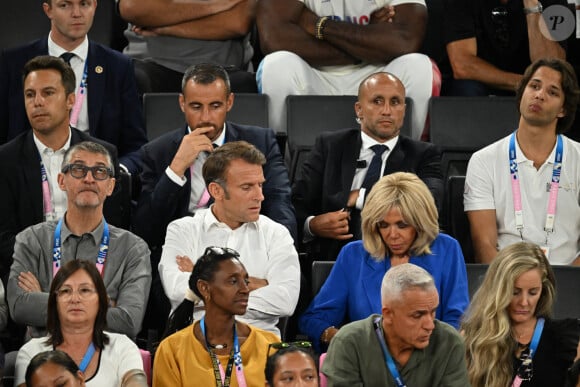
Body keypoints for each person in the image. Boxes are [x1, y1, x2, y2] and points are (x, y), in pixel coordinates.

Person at [136, 63, 295, 334]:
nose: (206, 117)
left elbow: (281, 206)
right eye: (196, 107)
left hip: (247, 244)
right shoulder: (159, 152)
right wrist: (175, 170)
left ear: (230, 102)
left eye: (215, 106)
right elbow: (146, 230)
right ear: (182, 103)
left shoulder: (259, 141)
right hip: (186, 244)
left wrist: (211, 277)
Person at [300, 172, 468, 352]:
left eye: (402, 225)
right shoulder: (354, 255)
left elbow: (456, 319)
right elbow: (314, 319)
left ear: (420, 223)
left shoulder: (446, 249)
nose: (392, 234)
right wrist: (343, 339)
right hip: (367, 361)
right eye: (383, 225)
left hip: (430, 359)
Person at [0, 56, 127, 283]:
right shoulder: (5, 160)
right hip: (29, 275)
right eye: (30, 95)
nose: (37, 102)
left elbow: (116, 227)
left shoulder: (103, 155)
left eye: (48, 93)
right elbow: (3, 237)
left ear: (70, 100)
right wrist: (42, 270)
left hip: (94, 273)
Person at [292, 72, 443, 262]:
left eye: (395, 102)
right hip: (334, 258)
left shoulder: (423, 154)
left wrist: (360, 197)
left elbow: (429, 204)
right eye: (377, 101)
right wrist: (312, 225)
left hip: (397, 259)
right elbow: (296, 204)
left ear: (404, 110)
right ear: (359, 109)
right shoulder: (330, 145)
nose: (387, 110)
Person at [7, 141, 151, 339]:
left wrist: (48, 298)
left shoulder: (133, 248)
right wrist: (101, 304)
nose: (89, 178)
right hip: (42, 357)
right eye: (78, 169)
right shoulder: (31, 239)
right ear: (61, 181)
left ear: (110, 186)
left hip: (106, 357)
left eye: (100, 171)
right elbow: (19, 307)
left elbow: (129, 321)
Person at [159, 141, 300, 336]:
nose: (260, 196)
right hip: (195, 343)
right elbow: (177, 290)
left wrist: (206, 281)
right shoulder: (182, 230)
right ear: (216, 191)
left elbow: (285, 301)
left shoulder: (277, 234)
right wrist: (257, 284)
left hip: (259, 346)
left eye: (260, 185)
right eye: (247, 187)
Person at [0, 0, 147, 174]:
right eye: (65, 5)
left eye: (84, 4)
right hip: (31, 177)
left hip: (94, 180)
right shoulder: (13, 63)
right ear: (48, 10)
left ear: (94, 6)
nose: (77, 13)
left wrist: (116, 171)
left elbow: (136, 146)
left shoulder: (118, 67)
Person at [256, 0, 439, 138]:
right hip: (314, 74)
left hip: (377, 76)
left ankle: (404, 165)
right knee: (277, 65)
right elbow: (274, 39)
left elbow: (405, 41)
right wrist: (370, 39)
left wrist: (321, 26)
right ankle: (285, 165)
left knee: (419, 66)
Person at [464, 58, 580, 265]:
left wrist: (567, 286)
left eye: (552, 92)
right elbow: (484, 244)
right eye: (534, 86)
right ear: (522, 93)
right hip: (506, 283)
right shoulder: (483, 161)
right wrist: (509, 289)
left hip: (570, 282)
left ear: (563, 109)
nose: (539, 95)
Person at [322, 263, 469, 386]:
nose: (430, 325)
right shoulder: (349, 342)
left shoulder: (449, 342)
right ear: (388, 314)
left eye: (433, 312)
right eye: (418, 315)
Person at [153, 246, 280, 386]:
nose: (245, 289)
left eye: (246, 281)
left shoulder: (269, 344)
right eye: (233, 281)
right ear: (204, 288)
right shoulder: (172, 349)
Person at [462, 242, 580, 386]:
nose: (524, 302)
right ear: (498, 291)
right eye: (514, 292)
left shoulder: (570, 337)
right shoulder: (472, 339)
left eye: (533, 292)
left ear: (543, 290)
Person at [14, 260, 148, 387]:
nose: (75, 299)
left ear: (101, 300)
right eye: (65, 291)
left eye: (85, 290)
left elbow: (136, 382)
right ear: (54, 301)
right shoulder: (30, 352)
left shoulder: (122, 347)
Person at [116, 0, 258, 94]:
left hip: (225, 69)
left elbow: (237, 23)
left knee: (243, 85)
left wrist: (162, 29)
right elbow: (134, 8)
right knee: (127, 78)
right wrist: (220, 4)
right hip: (148, 65)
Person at [443, 0, 567, 96]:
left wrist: (532, 7)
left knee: (552, 93)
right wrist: (527, 83)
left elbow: (552, 66)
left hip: (536, 87)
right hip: (481, 82)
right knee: (467, 88)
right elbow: (463, 66)